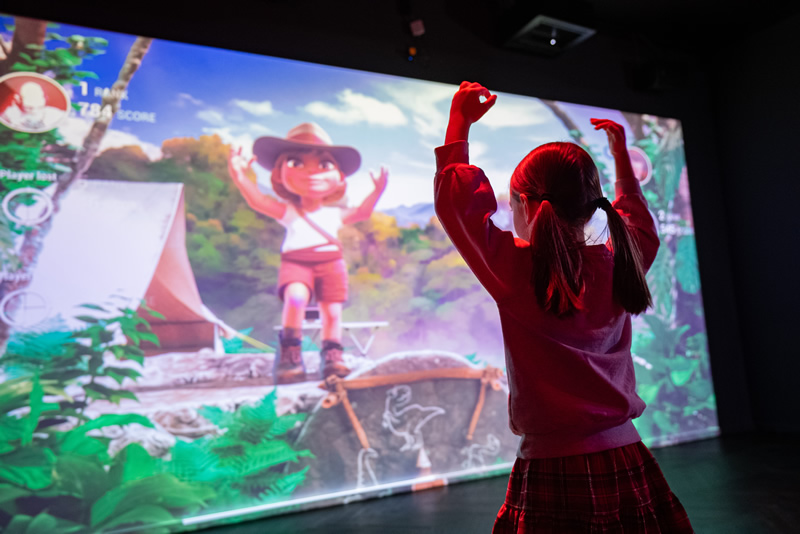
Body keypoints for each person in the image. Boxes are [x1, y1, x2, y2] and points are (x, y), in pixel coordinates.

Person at [434, 82, 693, 532]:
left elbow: (458, 209)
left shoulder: (517, 271)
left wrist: (459, 123)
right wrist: (621, 161)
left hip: (554, 467)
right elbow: (640, 227)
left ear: (526, 205)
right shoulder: (620, 263)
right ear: (591, 207)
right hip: (626, 456)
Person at [229, 122, 388, 384]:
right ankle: (291, 354)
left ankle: (332, 356)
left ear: (338, 176)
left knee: (332, 312)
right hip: (297, 262)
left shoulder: (333, 214)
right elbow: (257, 200)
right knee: (295, 299)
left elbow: (362, 212)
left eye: (324, 164)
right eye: (296, 162)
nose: (311, 171)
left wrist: (377, 191)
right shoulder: (289, 211)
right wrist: (239, 175)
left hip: (331, 262)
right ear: (280, 173)